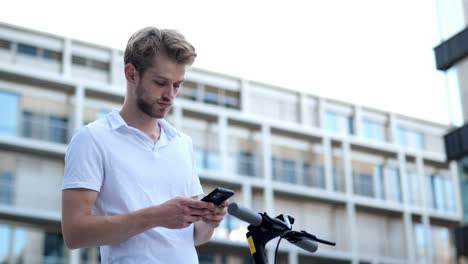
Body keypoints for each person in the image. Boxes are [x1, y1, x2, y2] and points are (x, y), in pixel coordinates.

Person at [61, 27, 228, 264]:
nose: (170, 95)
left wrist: (209, 221)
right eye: (161, 82)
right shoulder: (92, 139)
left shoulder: (182, 144)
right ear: (131, 73)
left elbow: (193, 237)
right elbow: (74, 233)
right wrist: (156, 216)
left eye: (177, 85)